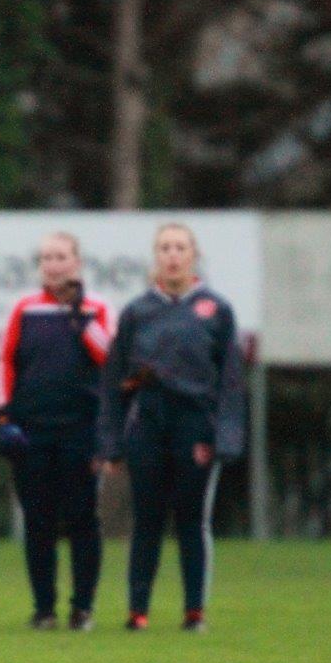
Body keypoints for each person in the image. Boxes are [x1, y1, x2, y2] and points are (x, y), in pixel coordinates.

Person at [97, 223, 245, 633]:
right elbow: (114, 383)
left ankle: (194, 610)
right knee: (146, 519)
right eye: (165, 247)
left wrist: (224, 438)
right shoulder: (138, 311)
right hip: (148, 423)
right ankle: (137, 610)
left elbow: (231, 379)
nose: (172, 255)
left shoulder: (216, 311)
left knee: (192, 521)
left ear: (193, 255)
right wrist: (110, 444)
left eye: (180, 247)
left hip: (195, 426)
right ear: (155, 256)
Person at [0, 232, 111, 632]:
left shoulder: (94, 310)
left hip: (81, 432)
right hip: (32, 432)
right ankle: (44, 608)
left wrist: (80, 316)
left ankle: (83, 607)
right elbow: (5, 362)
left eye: (61, 257)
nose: (54, 264)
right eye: (47, 258)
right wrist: (4, 417)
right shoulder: (24, 309)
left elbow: (107, 357)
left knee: (82, 519)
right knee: (39, 520)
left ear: (76, 263)